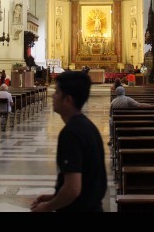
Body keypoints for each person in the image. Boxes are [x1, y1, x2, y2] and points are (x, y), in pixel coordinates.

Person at [31, 71, 106, 212]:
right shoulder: (89, 126)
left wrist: (48, 207)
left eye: (57, 92)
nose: (53, 96)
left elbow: (73, 189)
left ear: (68, 100)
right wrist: (54, 197)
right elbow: (86, 183)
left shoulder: (70, 133)